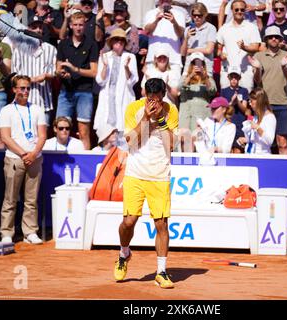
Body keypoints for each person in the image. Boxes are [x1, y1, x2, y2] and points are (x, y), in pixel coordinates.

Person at [114, 78, 178, 289]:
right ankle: (124, 254)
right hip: (135, 174)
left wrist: (160, 120)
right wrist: (147, 120)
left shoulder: (172, 111)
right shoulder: (133, 108)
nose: (153, 103)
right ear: (145, 95)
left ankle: (161, 272)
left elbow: (172, 145)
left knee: (161, 224)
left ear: (163, 96)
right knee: (128, 222)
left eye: (157, 99)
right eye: (150, 98)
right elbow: (131, 141)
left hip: (160, 175)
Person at [0, 75, 47, 244]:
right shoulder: (6, 110)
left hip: (35, 158)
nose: (26, 91)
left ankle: (30, 231)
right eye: (22, 88)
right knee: (10, 198)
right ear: (14, 89)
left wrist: (33, 154)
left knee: (31, 199)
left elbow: (42, 135)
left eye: (28, 88)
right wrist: (23, 154)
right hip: (14, 158)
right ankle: (7, 233)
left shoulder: (37, 109)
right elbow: (5, 137)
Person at [56, 11, 99, 150]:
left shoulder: (91, 44)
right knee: (61, 129)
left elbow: (94, 72)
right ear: (70, 26)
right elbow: (58, 68)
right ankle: (60, 162)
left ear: (85, 26)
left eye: (81, 24)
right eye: (75, 24)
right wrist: (62, 73)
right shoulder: (63, 44)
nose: (78, 27)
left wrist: (75, 69)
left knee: (83, 131)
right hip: (65, 91)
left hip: (84, 92)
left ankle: (86, 163)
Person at [250, 25, 287, 154]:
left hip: (282, 102)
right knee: (262, 140)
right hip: (263, 105)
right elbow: (257, 80)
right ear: (266, 39)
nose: (274, 39)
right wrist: (258, 68)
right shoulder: (259, 55)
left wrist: (284, 66)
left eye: (276, 37)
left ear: (280, 39)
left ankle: (285, 172)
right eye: (270, 37)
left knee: (282, 143)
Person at [93, 28, 138, 147]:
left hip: (123, 98)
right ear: (111, 42)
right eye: (116, 40)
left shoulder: (130, 57)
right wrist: (105, 66)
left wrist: (127, 67)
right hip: (108, 100)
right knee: (106, 137)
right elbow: (100, 81)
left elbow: (132, 81)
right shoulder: (105, 57)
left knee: (122, 136)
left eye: (121, 41)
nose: (119, 43)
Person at [12, 20, 57, 127]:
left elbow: (54, 74)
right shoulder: (19, 49)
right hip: (22, 103)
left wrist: (46, 76)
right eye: (34, 27)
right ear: (28, 29)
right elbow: (14, 78)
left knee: (42, 138)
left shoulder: (51, 49)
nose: (38, 30)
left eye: (40, 27)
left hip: (44, 102)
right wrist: (35, 79)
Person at [216, 0, 262, 92]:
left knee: (245, 101)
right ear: (232, 11)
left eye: (242, 9)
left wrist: (244, 47)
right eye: (236, 10)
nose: (239, 12)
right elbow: (218, 49)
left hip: (245, 71)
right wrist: (221, 55)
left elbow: (256, 47)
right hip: (227, 71)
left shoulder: (252, 27)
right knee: (227, 103)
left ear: (245, 10)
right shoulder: (224, 28)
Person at [143, 0, 186, 75]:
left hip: (173, 60)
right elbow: (146, 32)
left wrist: (174, 22)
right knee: (151, 86)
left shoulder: (180, 14)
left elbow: (180, 34)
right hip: (153, 59)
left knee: (173, 86)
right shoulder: (150, 13)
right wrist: (156, 20)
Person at [178, 52, 217, 133]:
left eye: (199, 63)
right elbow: (179, 88)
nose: (197, 65)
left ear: (203, 65)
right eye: (194, 63)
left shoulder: (208, 79)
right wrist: (191, 75)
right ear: (191, 65)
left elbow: (213, 92)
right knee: (186, 142)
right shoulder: (185, 77)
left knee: (201, 142)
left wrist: (204, 77)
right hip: (187, 116)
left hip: (203, 115)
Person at [181, 2, 217, 76]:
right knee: (180, 86)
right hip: (189, 68)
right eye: (194, 15)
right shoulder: (187, 29)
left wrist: (190, 50)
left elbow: (209, 50)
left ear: (205, 14)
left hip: (205, 68)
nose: (196, 17)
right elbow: (183, 53)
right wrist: (186, 38)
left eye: (199, 15)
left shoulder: (211, 28)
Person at [237, 87, 277, 154]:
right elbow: (257, 140)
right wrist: (246, 140)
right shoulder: (256, 117)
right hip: (250, 154)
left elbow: (269, 141)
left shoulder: (270, 117)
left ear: (258, 101)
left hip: (262, 157)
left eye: (251, 101)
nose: (249, 104)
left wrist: (258, 128)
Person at [220, 65, 249, 153]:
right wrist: (232, 103)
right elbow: (222, 110)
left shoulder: (244, 91)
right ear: (228, 77)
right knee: (227, 150)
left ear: (239, 78)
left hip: (240, 125)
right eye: (232, 77)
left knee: (238, 151)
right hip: (227, 125)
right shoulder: (224, 91)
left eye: (236, 77)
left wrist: (238, 102)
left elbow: (245, 110)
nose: (234, 79)